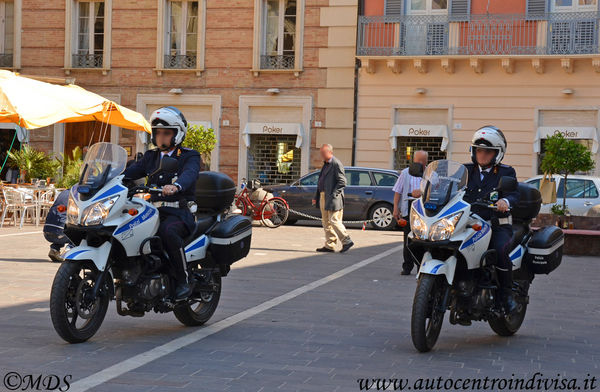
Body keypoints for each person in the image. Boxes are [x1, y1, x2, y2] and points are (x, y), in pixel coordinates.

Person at [123, 106, 201, 300]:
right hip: (152, 212)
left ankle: (184, 280)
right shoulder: (151, 156)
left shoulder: (189, 156)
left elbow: (190, 174)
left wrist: (177, 186)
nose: (161, 138)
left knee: (167, 232)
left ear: (177, 134)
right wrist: (105, 180)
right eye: (158, 133)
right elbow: (129, 173)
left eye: (166, 133)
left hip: (179, 213)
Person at [463, 125, 520, 315]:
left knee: (500, 250)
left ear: (497, 154)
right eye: (479, 150)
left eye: (488, 151)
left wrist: (505, 200)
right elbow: (448, 187)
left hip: (496, 224)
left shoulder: (506, 172)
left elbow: (514, 194)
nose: (482, 154)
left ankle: (506, 297)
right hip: (467, 223)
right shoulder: (465, 171)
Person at [312, 144, 354, 253]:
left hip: (333, 197)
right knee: (326, 222)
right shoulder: (326, 164)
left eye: (323, 153)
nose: (321, 155)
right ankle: (330, 245)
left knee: (334, 220)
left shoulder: (336, 164)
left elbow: (342, 181)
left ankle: (347, 240)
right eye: (320, 153)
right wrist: (316, 196)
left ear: (330, 152)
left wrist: (334, 194)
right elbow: (321, 181)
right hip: (323, 196)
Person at [393, 150, 428, 275]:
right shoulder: (405, 173)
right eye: (417, 161)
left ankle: (421, 266)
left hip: (425, 210)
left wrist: (423, 191)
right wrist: (396, 208)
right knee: (408, 239)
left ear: (426, 162)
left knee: (423, 239)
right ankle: (407, 266)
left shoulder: (431, 173)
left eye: (421, 162)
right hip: (409, 208)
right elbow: (398, 191)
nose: (419, 164)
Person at [44, 188, 72, 262]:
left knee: (62, 226)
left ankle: (54, 249)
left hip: (47, 232)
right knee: (80, 231)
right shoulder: (77, 195)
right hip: (60, 232)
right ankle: (69, 250)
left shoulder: (64, 193)